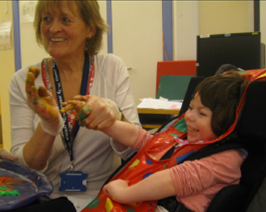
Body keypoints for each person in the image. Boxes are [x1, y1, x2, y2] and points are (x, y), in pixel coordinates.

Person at [9, 0, 141, 211]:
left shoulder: (111, 68)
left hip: (103, 196)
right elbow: (27, 166)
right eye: (47, 19)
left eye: (65, 19)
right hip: (45, 195)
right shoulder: (25, 80)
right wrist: (49, 125)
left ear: (90, 29)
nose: (53, 29)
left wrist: (115, 118)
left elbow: (135, 151)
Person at [67, 71, 248, 212]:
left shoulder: (227, 159)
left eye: (202, 113)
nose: (189, 116)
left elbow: (172, 180)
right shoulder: (186, 140)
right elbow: (141, 139)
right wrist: (105, 124)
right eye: (191, 107)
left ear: (228, 124)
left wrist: (125, 193)